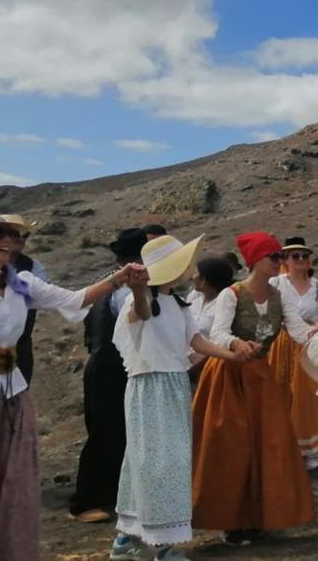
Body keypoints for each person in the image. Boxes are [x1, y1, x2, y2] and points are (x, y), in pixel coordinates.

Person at [0, 208, 145, 560]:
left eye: (14, 235)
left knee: (10, 487)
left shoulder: (21, 282)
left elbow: (74, 300)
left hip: (11, 398)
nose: (9, 240)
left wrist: (119, 278)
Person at [108, 234, 238, 561]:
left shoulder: (179, 304)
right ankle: (157, 543)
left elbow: (196, 341)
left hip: (174, 384)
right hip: (149, 386)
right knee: (153, 461)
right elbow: (142, 313)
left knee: (167, 460)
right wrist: (139, 289)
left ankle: (130, 537)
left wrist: (230, 354)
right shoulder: (139, 301)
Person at [191, 232, 315, 545]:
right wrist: (235, 342)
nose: (280, 262)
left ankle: (259, 515)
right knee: (231, 448)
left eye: (280, 257)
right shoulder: (232, 294)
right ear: (254, 262)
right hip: (228, 376)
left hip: (260, 376)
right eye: (273, 257)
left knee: (267, 445)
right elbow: (217, 334)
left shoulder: (279, 296)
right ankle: (229, 521)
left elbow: (298, 331)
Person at [69, 227, 148, 524]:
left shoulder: (108, 284)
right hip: (113, 368)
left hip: (103, 364)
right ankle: (85, 501)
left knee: (113, 433)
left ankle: (110, 495)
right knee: (106, 434)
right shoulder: (127, 290)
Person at [269, 236, 318, 469]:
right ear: (285, 259)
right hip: (281, 342)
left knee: (305, 395)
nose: (300, 260)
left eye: (304, 256)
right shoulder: (277, 283)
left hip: (307, 345)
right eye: (295, 256)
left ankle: (305, 449)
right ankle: (279, 447)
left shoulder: (317, 287)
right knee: (278, 392)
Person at [3, 215, 46, 385]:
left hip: (19, 346)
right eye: (14, 234)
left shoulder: (34, 267)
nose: (21, 240)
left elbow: (40, 294)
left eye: (23, 236)